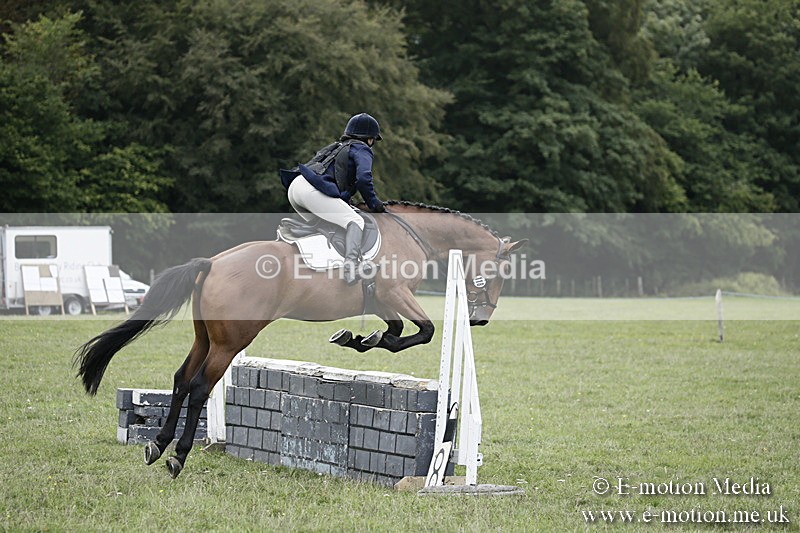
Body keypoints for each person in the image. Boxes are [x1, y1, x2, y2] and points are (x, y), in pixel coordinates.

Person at [280, 113, 386, 285]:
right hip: (311, 191)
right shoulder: (361, 148)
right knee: (355, 221)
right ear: (369, 139)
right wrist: (374, 204)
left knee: (331, 225)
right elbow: (364, 178)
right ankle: (351, 268)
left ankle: (323, 270)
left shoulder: (337, 146)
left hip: (295, 188)